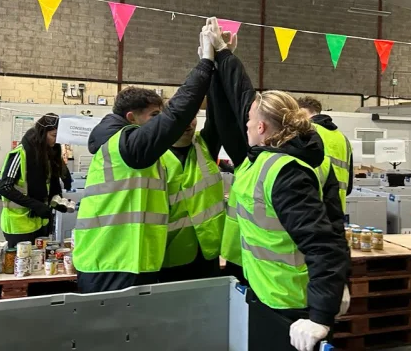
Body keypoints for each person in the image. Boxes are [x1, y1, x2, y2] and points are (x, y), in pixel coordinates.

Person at [204, 18, 350, 351]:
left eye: (250, 120)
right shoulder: (275, 155)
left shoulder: (285, 172)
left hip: (292, 304)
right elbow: (243, 98)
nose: (245, 123)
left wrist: (320, 315)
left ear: (262, 128)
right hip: (269, 291)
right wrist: (220, 57)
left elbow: (322, 243)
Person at [73, 27, 216, 294]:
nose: (160, 123)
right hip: (111, 262)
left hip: (133, 259)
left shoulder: (129, 146)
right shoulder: (126, 146)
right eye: (153, 116)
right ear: (131, 118)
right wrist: (205, 64)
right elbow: (175, 116)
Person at [157, 100, 225, 282]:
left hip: (207, 250)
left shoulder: (206, 144)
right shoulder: (154, 153)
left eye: (192, 116)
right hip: (169, 253)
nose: (188, 123)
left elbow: (219, 113)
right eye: (181, 117)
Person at [0, 113, 72, 248]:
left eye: (58, 137)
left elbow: (49, 186)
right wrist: (35, 205)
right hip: (19, 225)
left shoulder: (48, 154)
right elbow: (4, 188)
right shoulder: (21, 154)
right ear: (43, 133)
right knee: (22, 264)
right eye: (53, 135)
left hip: (40, 222)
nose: (56, 141)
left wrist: (58, 203)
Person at [298, 96, 354, 212]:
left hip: (311, 207)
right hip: (337, 209)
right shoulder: (343, 139)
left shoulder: (307, 132)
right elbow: (348, 187)